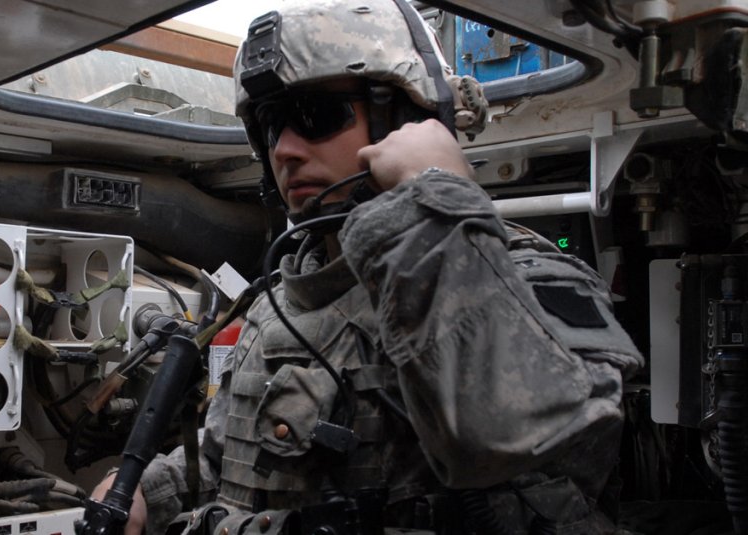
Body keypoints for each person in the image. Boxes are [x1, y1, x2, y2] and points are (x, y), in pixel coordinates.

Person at [94, 0, 644, 533]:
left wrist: (430, 194)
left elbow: (509, 435)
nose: (284, 149)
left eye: (316, 116)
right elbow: (236, 455)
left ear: (402, 121)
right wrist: (147, 490)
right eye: (272, 125)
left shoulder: (528, 278)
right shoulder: (280, 301)